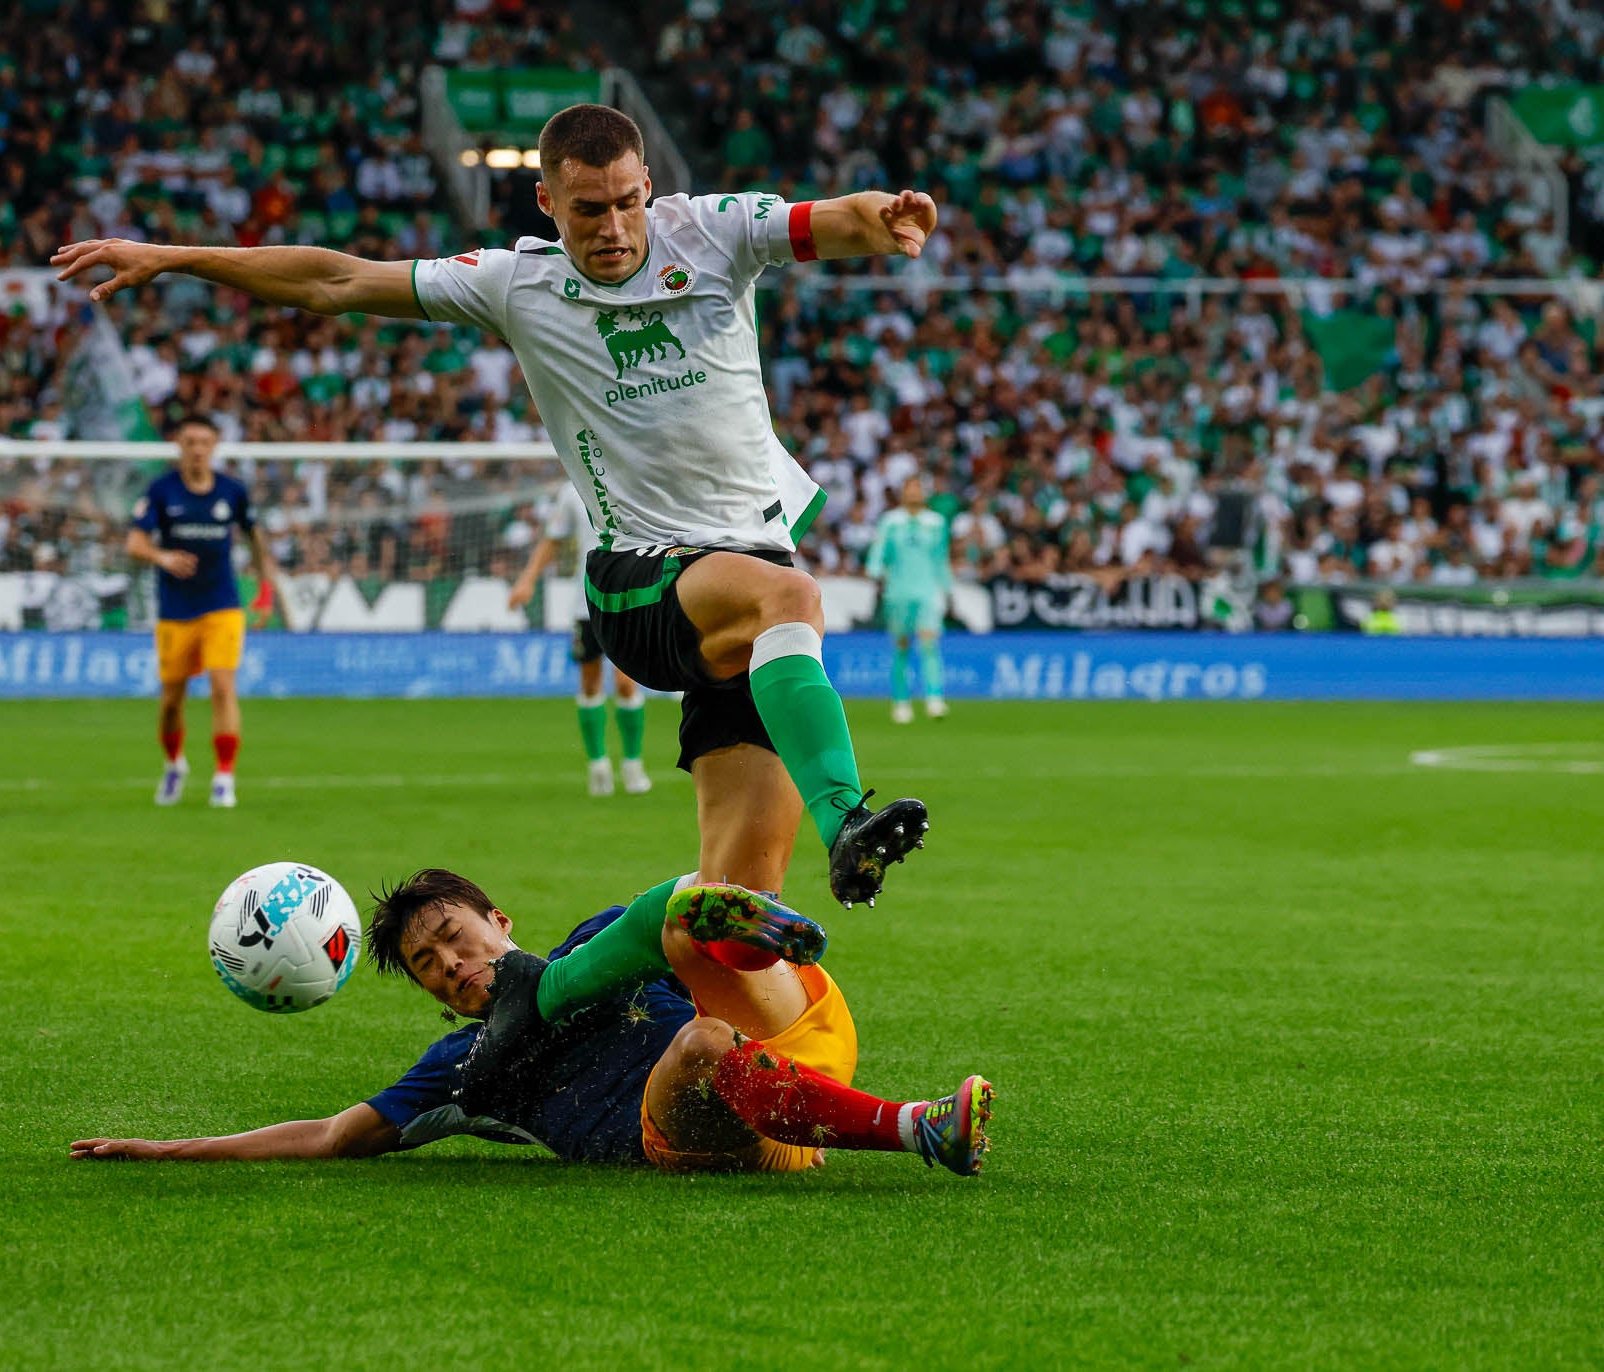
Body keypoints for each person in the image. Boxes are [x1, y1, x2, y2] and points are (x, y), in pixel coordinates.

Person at [55, 104, 938, 908]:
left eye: (628, 202)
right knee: (794, 598)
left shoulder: (711, 233)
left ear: (650, 188)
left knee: (740, 910)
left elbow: (836, 218)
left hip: (744, 591)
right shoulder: (515, 282)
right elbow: (335, 281)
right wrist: (178, 258)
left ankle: (612, 1020)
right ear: (547, 203)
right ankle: (848, 823)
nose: (615, 226)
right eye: (588, 209)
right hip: (640, 579)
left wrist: (887, 217)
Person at [70, 869, 993, 1174]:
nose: (454, 966)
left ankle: (749, 919)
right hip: (683, 1127)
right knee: (703, 1043)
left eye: (455, 938)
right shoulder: (462, 1068)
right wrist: (168, 1150)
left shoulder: (589, 947)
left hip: (797, 1045)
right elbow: (327, 1135)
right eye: (432, 968)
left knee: (678, 933)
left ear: (498, 923)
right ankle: (919, 1128)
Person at [125, 412, 281, 808]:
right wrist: (164, 557)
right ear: (180, 445)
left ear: (214, 446)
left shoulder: (232, 491)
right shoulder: (162, 491)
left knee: (222, 687)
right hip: (176, 608)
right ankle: (174, 764)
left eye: (204, 442)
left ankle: (224, 778)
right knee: (172, 699)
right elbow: (134, 544)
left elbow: (256, 541)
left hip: (222, 604)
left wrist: (264, 592)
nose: (197, 450)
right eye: (190, 442)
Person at [508, 482, 651, 797]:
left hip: (627, 599)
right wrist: (527, 580)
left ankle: (632, 763)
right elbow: (553, 539)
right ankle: (598, 765)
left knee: (627, 682)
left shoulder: (633, 480)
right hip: (585, 602)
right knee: (589, 682)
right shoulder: (572, 490)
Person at [866, 475, 953, 722]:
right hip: (898, 591)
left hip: (927, 591)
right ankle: (901, 702)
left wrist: (947, 589)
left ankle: (934, 699)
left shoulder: (935, 522)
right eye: (910, 488)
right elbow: (879, 550)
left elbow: (940, 557)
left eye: (918, 488)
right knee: (902, 646)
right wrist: (874, 572)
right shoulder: (891, 521)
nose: (914, 493)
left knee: (929, 643)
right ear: (903, 493)